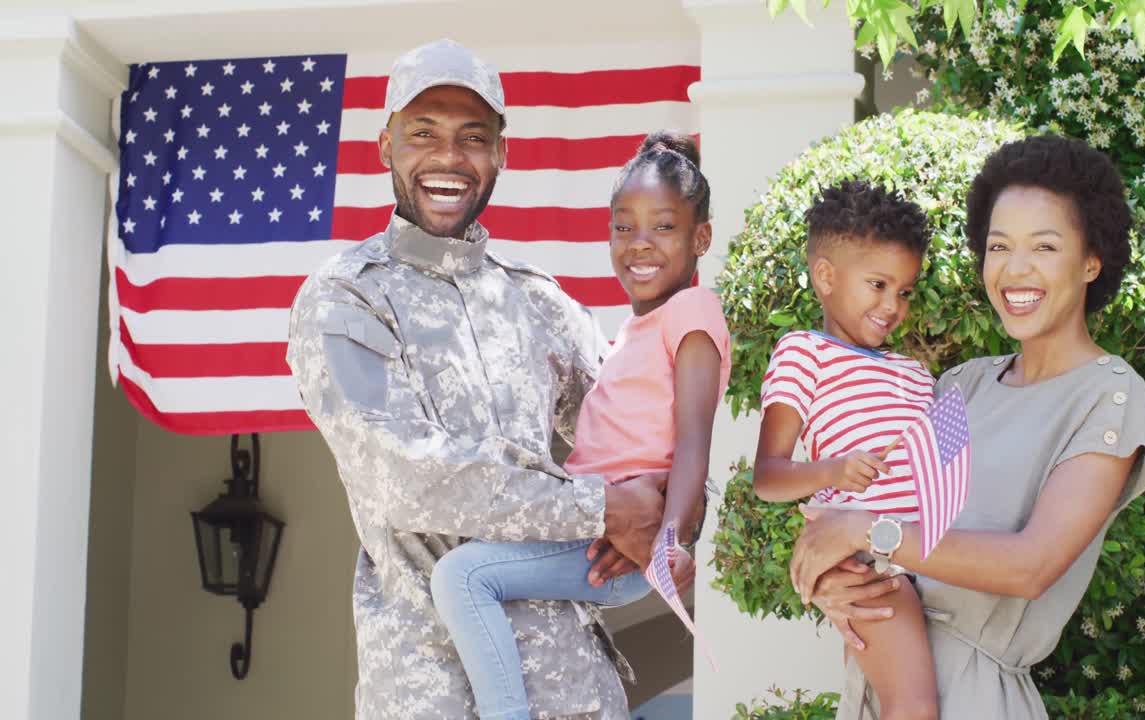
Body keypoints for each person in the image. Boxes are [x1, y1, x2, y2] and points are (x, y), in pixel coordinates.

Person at [286, 39, 669, 719]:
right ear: (385, 147)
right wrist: (603, 508)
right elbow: (403, 473)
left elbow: (639, 427)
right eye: (423, 134)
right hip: (432, 687)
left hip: (577, 690)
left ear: (501, 154)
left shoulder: (539, 304)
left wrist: (673, 517)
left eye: (473, 138)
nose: (448, 158)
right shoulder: (347, 298)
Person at [786, 135, 1145, 719]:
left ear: (1092, 261)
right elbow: (884, 510)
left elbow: (1030, 566)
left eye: (1044, 246)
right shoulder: (962, 387)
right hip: (884, 678)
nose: (1015, 269)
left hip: (977, 697)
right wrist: (828, 582)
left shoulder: (1108, 395)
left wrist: (867, 532)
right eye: (999, 246)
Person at [428, 131, 730, 720]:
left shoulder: (693, 312)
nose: (639, 244)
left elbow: (695, 436)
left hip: (622, 542)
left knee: (462, 577)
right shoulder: (628, 333)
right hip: (595, 524)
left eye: (663, 227)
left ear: (701, 239)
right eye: (624, 226)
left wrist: (669, 538)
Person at [753, 179, 939, 720]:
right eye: (878, 284)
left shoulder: (916, 372)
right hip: (869, 565)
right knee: (912, 705)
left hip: (930, 549)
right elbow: (768, 477)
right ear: (827, 277)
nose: (892, 305)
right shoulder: (804, 352)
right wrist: (832, 470)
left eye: (904, 291)